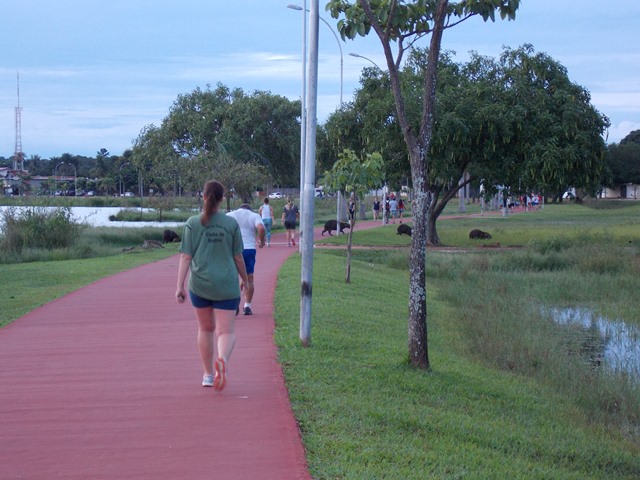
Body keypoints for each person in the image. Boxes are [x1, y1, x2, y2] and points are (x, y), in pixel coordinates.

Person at [176, 180, 249, 391]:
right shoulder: (230, 224)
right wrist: (245, 279)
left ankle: (208, 375)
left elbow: (185, 257)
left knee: (205, 329)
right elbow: (238, 258)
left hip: (200, 285)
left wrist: (179, 286)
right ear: (222, 199)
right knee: (226, 331)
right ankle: (222, 359)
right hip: (226, 285)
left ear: (204, 197)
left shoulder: (192, 223)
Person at [227, 203, 266, 316]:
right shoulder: (253, 215)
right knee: (249, 278)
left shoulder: (230, 215)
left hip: (233, 249)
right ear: (249, 209)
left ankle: (233, 305)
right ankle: (247, 306)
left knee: (232, 278)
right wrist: (262, 241)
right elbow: (261, 228)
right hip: (248, 249)